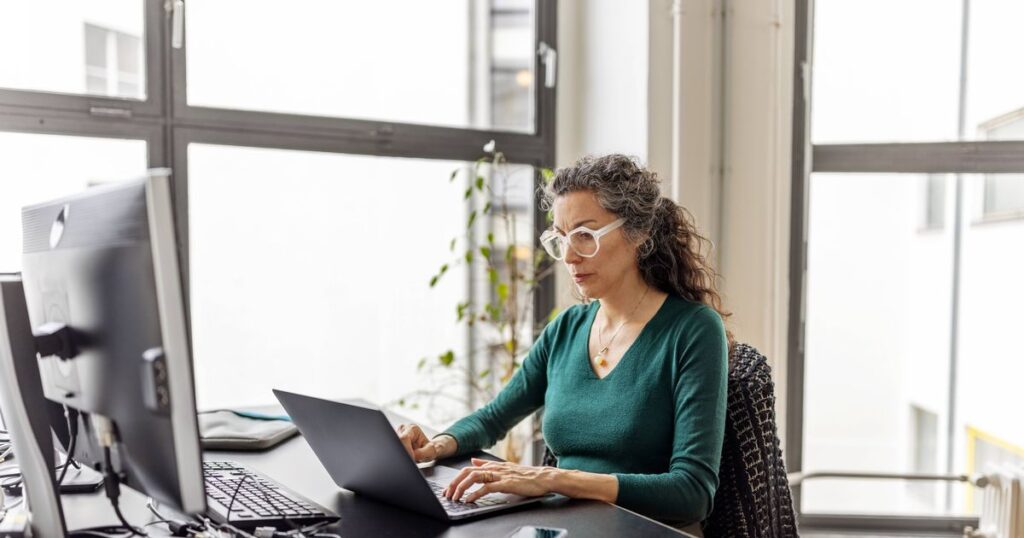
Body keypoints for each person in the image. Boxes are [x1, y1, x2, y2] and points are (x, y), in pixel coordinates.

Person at [397, 154, 731, 533]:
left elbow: (693, 491)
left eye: (586, 236)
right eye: (561, 238)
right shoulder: (567, 328)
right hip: (565, 524)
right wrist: (435, 446)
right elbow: (494, 418)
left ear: (638, 234)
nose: (569, 256)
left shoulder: (692, 330)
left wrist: (554, 478)